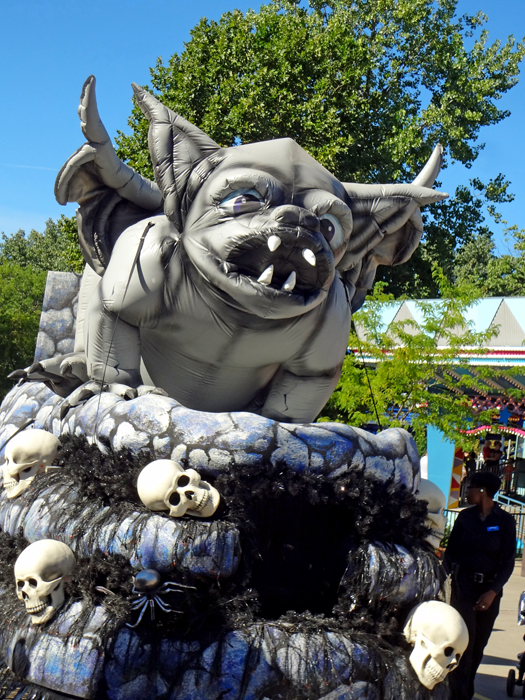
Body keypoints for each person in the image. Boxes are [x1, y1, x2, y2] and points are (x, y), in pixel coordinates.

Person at [445, 471, 516, 700]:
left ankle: (465, 688)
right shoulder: (465, 518)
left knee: (478, 647)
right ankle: (460, 694)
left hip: (489, 592)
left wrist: (493, 592)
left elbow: (508, 562)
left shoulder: (505, 521)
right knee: (464, 643)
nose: (467, 492)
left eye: (471, 488)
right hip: (464, 589)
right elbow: (450, 555)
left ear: (483, 491)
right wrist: (443, 582)